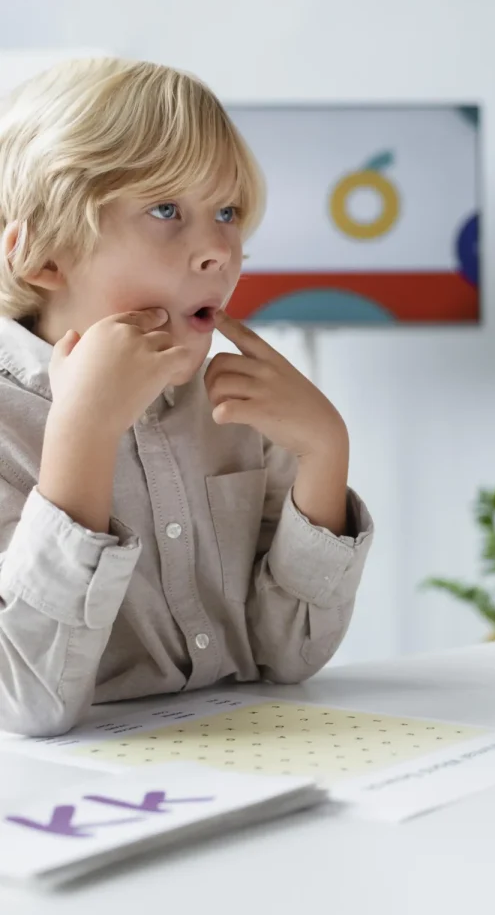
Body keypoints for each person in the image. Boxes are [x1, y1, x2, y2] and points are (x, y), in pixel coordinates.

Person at [0, 57, 373, 736]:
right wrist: (83, 434)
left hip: (242, 763)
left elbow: (289, 657)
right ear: (46, 256)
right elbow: (26, 699)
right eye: (166, 209)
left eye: (228, 212)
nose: (218, 251)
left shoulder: (236, 407)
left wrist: (325, 454)